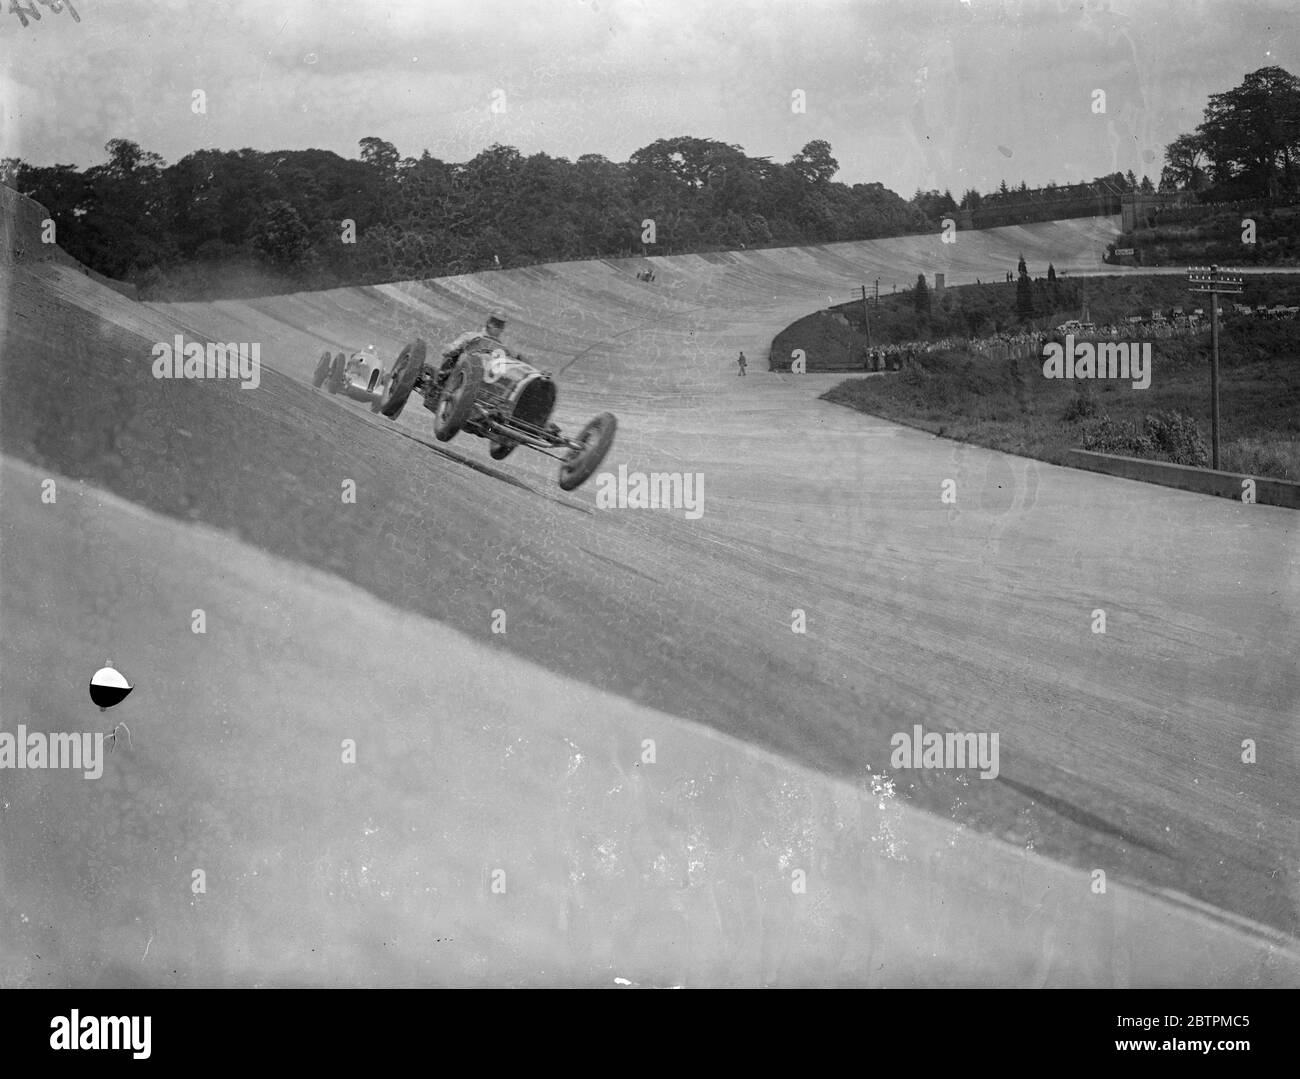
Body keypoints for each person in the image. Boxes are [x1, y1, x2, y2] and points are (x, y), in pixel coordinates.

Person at [432, 310, 510, 389]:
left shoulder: (471, 337)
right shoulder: (503, 349)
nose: (498, 327)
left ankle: (440, 382)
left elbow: (448, 351)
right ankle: (441, 380)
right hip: (481, 381)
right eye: (498, 324)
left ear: (488, 323)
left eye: (499, 324)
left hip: (465, 377)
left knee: (452, 355)